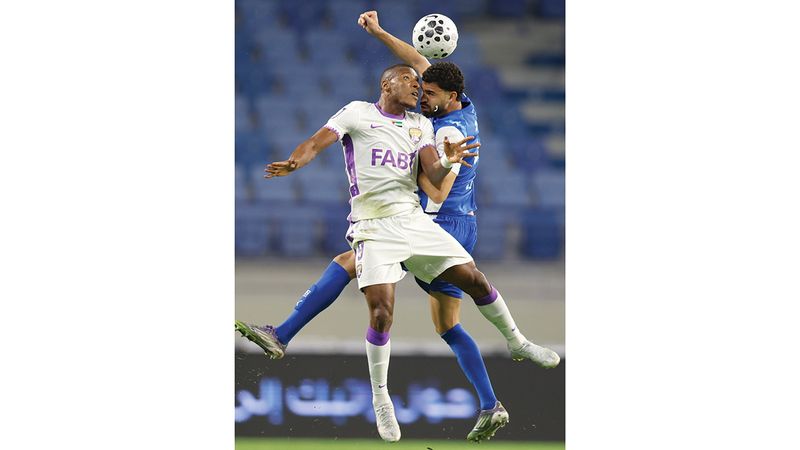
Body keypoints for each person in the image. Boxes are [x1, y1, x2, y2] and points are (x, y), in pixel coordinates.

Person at [235, 11, 558, 443]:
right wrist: (380, 32)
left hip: (432, 218)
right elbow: (323, 137)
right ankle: (408, 399)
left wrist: (447, 162)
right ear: (388, 85)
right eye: (413, 84)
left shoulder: (436, 126)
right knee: (386, 304)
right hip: (391, 221)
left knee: (433, 301)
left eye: (426, 90)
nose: (420, 90)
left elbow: (435, 188)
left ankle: (511, 351)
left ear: (447, 97)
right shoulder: (407, 109)